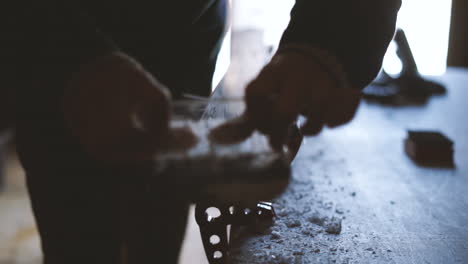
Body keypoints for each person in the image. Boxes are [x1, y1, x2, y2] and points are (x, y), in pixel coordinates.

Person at [0, 0, 401, 263]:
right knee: (78, 228)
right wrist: (61, 56)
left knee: (161, 208)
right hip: (50, 32)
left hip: (183, 32)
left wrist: (326, 43)